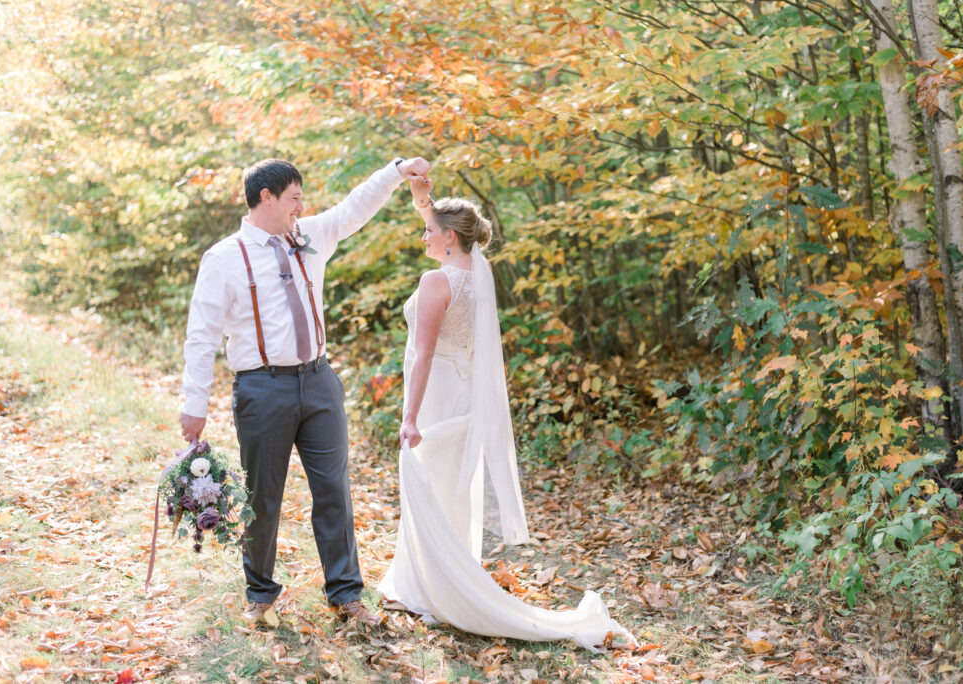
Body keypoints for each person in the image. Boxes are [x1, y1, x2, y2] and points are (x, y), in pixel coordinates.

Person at [377, 179, 633, 650]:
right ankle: (431, 582)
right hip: (464, 393)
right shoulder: (478, 273)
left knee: (433, 480)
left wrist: (409, 416)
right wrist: (422, 198)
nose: (423, 237)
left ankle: (435, 591)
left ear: (449, 237)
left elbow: (423, 355)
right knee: (452, 484)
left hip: (437, 391)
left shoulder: (435, 281)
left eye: (428, 231)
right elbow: (438, 226)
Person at [179, 156, 430, 628]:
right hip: (261, 388)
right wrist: (194, 404)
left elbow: (355, 208)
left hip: (319, 382)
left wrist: (396, 171)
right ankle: (260, 594)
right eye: (294, 197)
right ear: (266, 198)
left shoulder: (310, 236)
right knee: (263, 497)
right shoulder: (224, 258)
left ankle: (345, 593)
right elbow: (202, 335)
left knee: (334, 490)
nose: (302, 205)